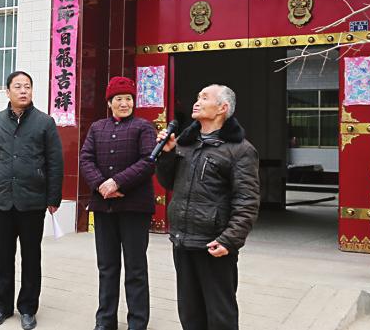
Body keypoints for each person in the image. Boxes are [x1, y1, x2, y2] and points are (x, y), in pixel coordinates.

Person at [156, 84, 259, 330]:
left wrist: (229, 240)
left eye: (204, 98)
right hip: (183, 239)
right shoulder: (185, 143)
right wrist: (167, 154)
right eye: (197, 97)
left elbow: (247, 200)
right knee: (190, 313)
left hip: (213, 244)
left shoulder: (240, 150)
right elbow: (168, 182)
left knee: (220, 314)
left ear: (223, 108)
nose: (197, 102)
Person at [0, 71, 64, 330]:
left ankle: (28, 308)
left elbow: (55, 162)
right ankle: (2, 307)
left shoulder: (45, 122)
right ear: (8, 92)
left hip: (32, 201)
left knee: (31, 256)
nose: (23, 90)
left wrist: (53, 197)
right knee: (3, 256)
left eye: (27, 86)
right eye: (18, 86)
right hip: (2, 200)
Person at [79, 76, 157, 330]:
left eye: (129, 99)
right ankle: (105, 320)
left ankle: (137, 322)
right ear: (109, 102)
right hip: (104, 206)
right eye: (119, 99)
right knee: (107, 266)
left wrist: (117, 182)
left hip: (135, 208)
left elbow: (148, 161)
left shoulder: (144, 127)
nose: (124, 103)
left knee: (135, 268)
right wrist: (101, 184)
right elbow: (85, 158)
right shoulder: (97, 128)